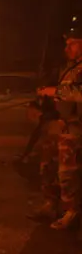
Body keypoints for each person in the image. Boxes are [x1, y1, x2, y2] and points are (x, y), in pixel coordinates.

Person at [32, 33, 82, 229]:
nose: (66, 48)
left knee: (68, 172)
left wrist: (56, 91)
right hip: (59, 124)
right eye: (66, 44)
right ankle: (51, 204)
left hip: (75, 129)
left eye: (72, 44)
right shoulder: (69, 67)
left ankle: (72, 211)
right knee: (48, 165)